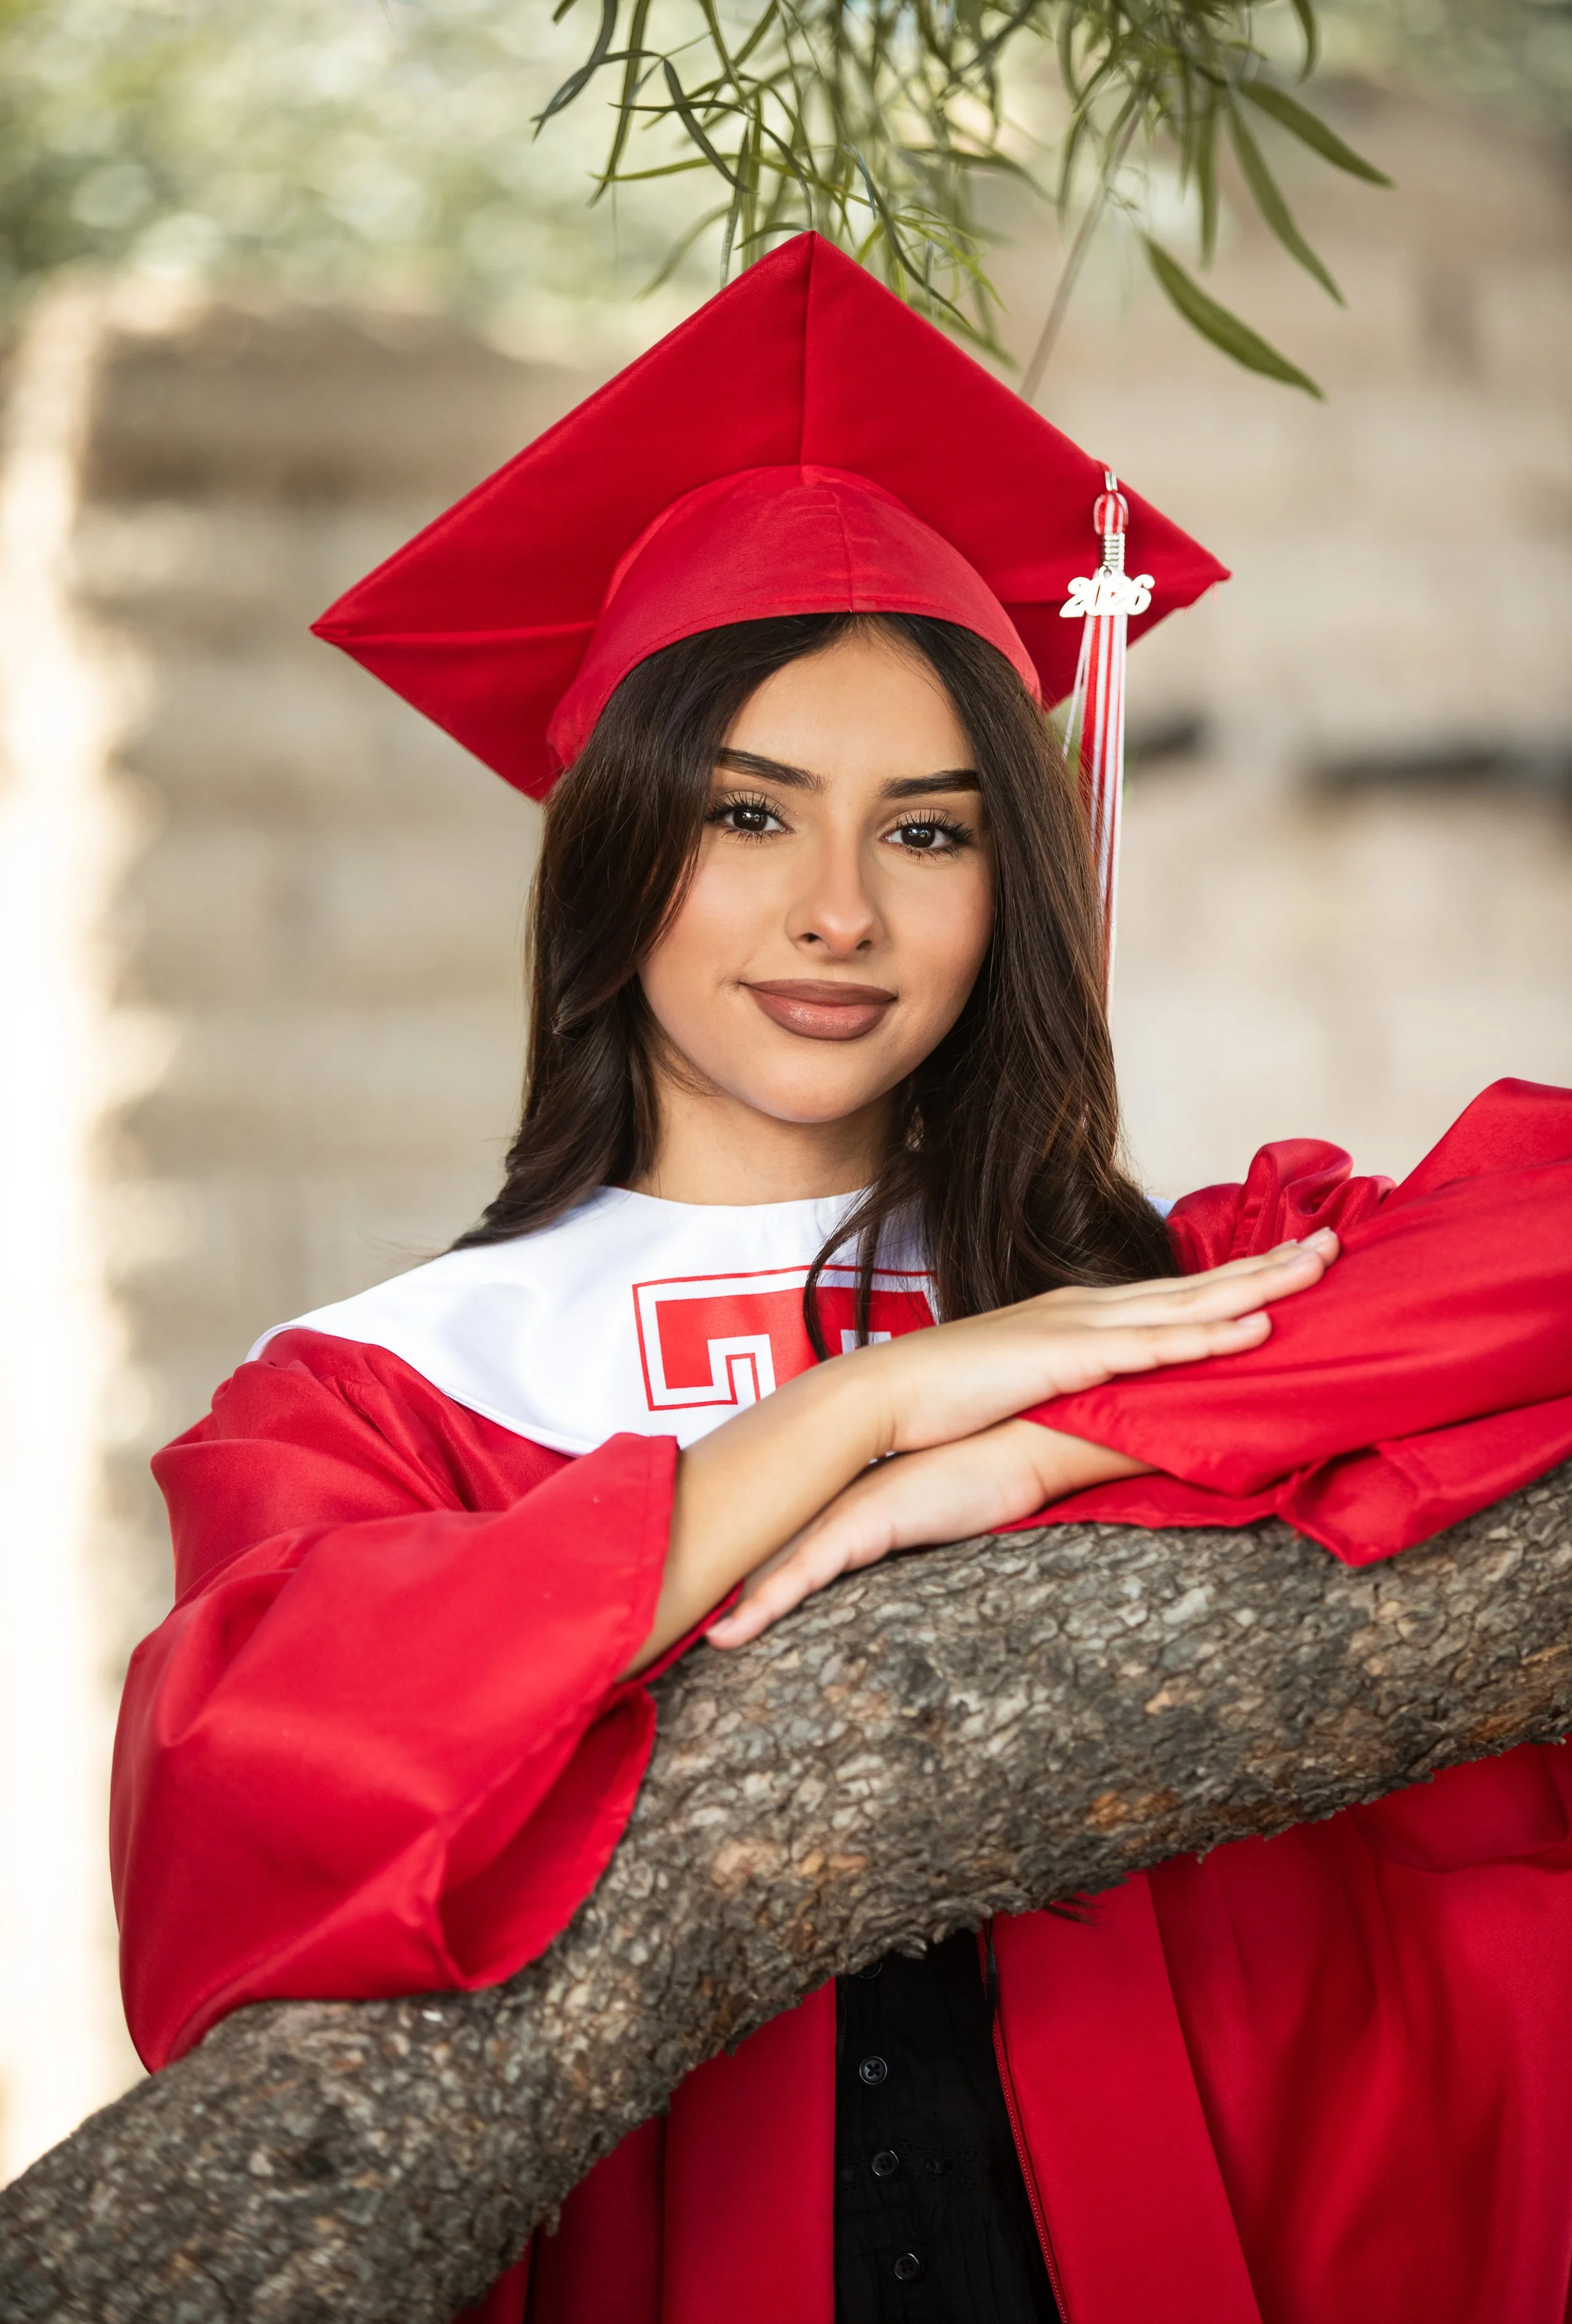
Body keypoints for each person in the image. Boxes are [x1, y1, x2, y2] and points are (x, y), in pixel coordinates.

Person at [111, 234, 1572, 2324]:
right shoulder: (388, 1393)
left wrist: (1058, 1428)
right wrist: (854, 1410)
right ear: (613, 849)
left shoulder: (1167, 1282)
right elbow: (258, 1774)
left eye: (927, 831)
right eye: (745, 813)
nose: (835, 913)